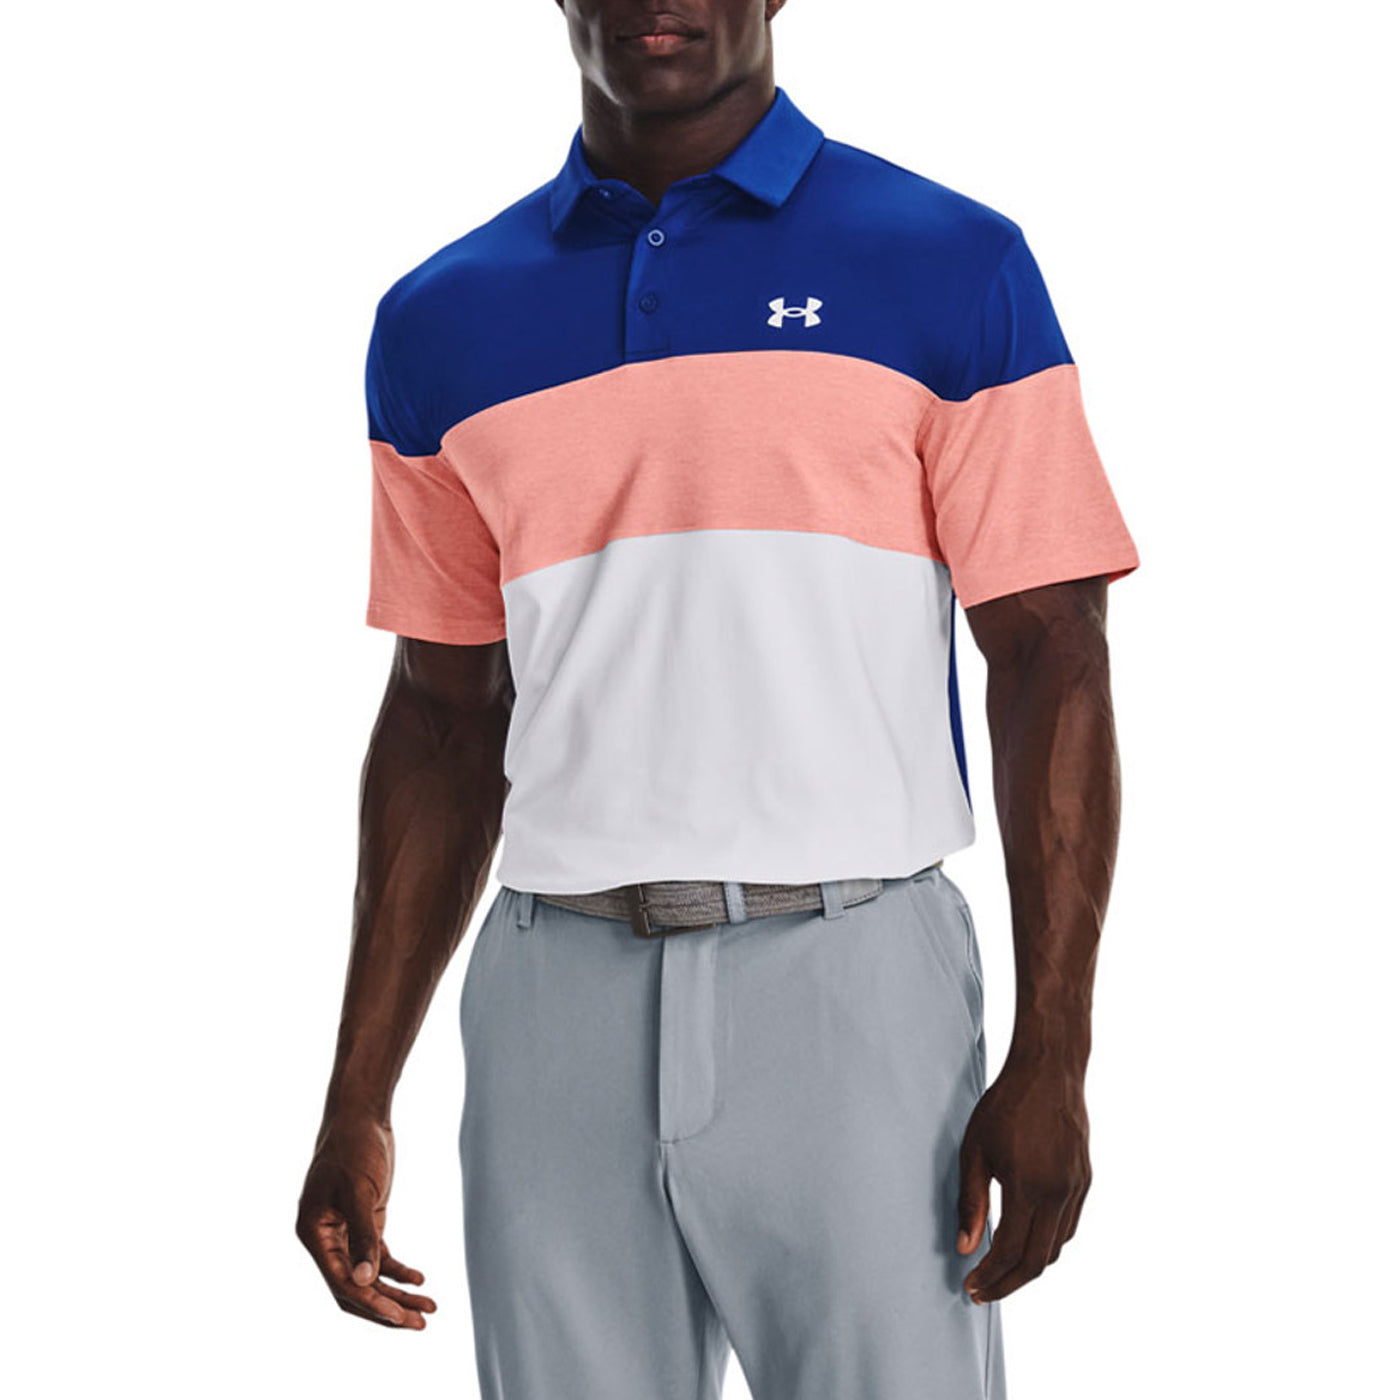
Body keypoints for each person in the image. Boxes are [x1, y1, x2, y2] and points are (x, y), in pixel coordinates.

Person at [296, 3, 1140, 1397]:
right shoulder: (440, 318)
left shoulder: (949, 262)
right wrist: (358, 1093)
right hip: (551, 1003)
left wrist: (1058, 1047)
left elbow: (1054, 653)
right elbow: (441, 715)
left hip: (854, 984)